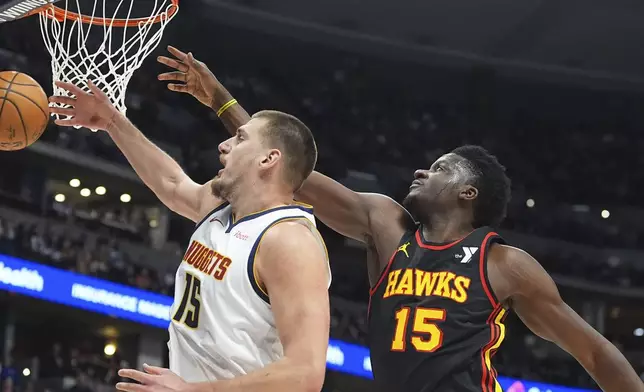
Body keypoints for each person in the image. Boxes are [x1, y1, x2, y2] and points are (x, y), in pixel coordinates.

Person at [156, 46, 644, 392]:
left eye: (439, 169)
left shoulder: (503, 264)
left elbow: (595, 353)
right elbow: (290, 171)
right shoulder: (386, 226)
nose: (420, 170)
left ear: (467, 192)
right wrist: (220, 99)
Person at [48, 81, 331, 392]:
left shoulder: (289, 241)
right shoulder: (220, 209)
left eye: (240, 138)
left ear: (268, 159)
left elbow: (305, 373)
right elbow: (172, 183)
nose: (224, 146)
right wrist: (113, 122)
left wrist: (192, 391)